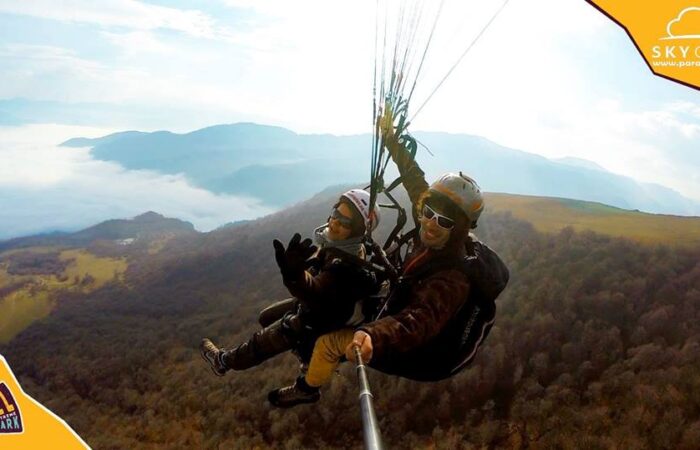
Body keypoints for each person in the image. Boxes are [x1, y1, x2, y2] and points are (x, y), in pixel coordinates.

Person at [267, 119, 485, 408]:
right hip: (397, 301)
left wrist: (371, 334)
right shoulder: (431, 226)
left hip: (419, 351)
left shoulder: (453, 278)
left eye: (444, 221)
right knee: (333, 302)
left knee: (327, 343)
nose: (431, 223)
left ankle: (307, 388)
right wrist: (392, 139)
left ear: (460, 229)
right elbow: (414, 178)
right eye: (428, 213)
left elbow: (417, 321)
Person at [200, 189, 383, 394]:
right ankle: (305, 351)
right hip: (326, 308)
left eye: (345, 222)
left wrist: (295, 276)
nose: (334, 223)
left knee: (264, 341)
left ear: (357, 231)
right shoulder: (345, 246)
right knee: (266, 317)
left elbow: (315, 290)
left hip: (320, 318)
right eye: (335, 214)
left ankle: (223, 361)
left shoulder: (347, 268)